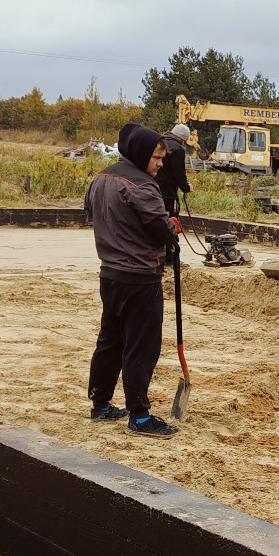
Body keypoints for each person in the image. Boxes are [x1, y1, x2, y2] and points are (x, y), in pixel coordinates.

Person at [84, 123, 182, 437]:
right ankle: (139, 416)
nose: (160, 163)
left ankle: (100, 405)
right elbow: (160, 229)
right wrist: (172, 226)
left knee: (110, 341)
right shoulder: (143, 187)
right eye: (156, 157)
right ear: (141, 154)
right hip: (140, 277)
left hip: (109, 276)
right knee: (141, 346)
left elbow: (90, 212)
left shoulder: (100, 178)